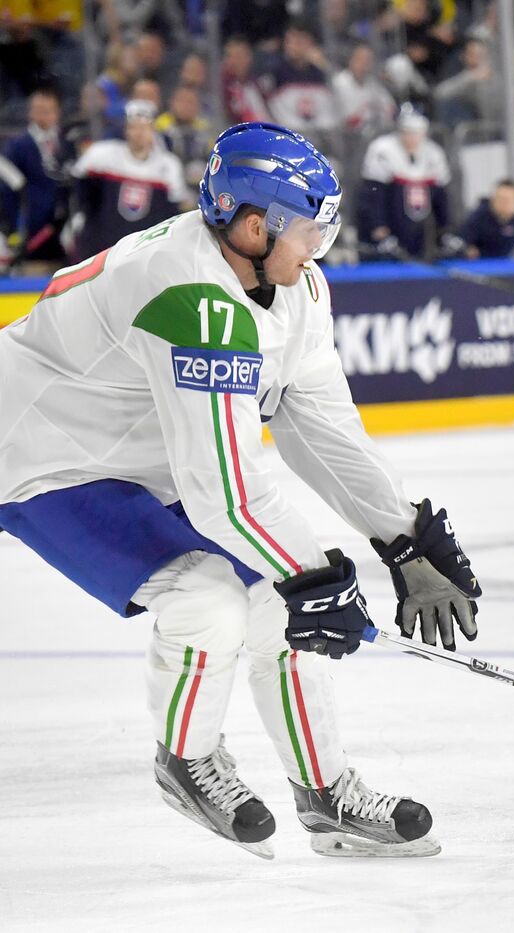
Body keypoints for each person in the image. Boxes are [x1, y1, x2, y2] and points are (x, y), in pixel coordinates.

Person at [0, 123, 482, 858]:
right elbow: (220, 488)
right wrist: (315, 575)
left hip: (137, 454)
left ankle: (326, 795)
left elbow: (321, 424)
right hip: (42, 454)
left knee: (275, 600)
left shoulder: (293, 287)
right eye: (309, 233)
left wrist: (404, 532)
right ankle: (185, 759)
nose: (319, 250)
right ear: (254, 225)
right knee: (209, 599)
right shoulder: (190, 292)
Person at [68, 100, 191, 260]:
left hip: (144, 253)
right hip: (101, 248)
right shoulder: (101, 155)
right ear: (126, 129)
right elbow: (77, 190)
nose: (139, 133)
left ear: (153, 130)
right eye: (134, 127)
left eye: (144, 127)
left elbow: (175, 212)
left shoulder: (168, 166)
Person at [358, 106, 456, 261]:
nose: (412, 138)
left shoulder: (433, 153)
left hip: (419, 225)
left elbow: (441, 196)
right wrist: (378, 225)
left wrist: (445, 230)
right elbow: (373, 193)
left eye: (416, 133)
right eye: (407, 132)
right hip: (392, 218)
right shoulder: (382, 149)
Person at [0, 87, 75, 274]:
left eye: (48, 110)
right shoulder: (17, 147)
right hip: (33, 242)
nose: (43, 116)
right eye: (39, 110)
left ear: (57, 113)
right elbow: (8, 193)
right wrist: (14, 234)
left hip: (64, 242)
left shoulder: (67, 144)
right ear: (30, 112)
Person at [459, 178, 514, 259]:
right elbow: (465, 245)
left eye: (509, 200)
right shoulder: (478, 217)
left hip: (502, 265)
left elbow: (506, 249)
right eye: (501, 199)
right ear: (493, 198)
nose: (504, 204)